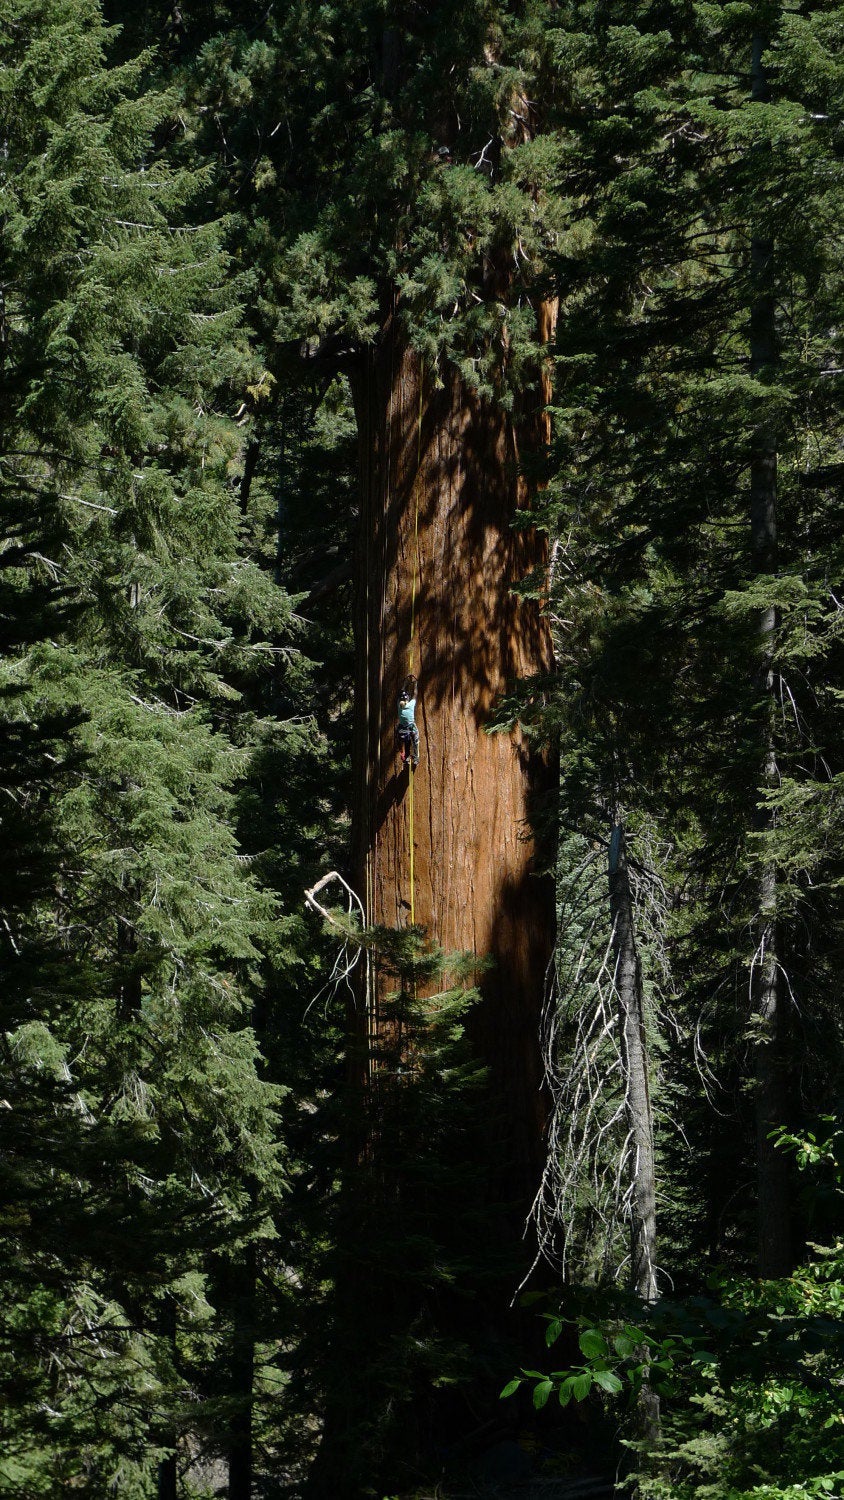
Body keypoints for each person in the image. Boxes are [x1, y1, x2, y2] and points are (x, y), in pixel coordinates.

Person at [397, 673, 420, 768]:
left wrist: (405, 683)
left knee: (406, 742)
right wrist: (416, 684)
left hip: (402, 728)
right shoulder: (410, 705)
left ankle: (406, 758)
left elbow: (401, 692)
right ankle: (416, 758)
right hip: (411, 726)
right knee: (416, 741)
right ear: (407, 700)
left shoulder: (399, 706)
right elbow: (415, 694)